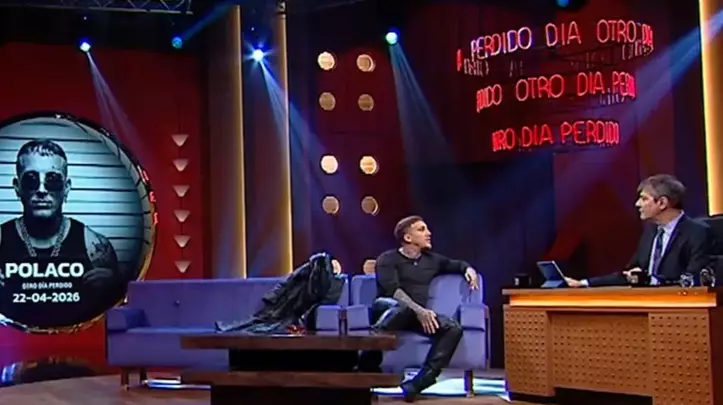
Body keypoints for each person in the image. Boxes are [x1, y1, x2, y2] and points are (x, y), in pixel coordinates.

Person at [358, 215, 479, 402]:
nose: (428, 233)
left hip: (415, 315)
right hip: (387, 308)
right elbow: (392, 291)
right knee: (401, 307)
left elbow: (456, 264)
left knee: (452, 328)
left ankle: (418, 383)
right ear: (408, 237)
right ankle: (365, 365)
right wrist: (420, 311)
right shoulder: (387, 259)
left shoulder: (432, 260)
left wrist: (468, 269)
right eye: (421, 230)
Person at [0, 139, 120, 292]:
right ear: (17, 187)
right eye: (31, 180)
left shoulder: (93, 244)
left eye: (53, 180)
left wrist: (112, 286)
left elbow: (122, 298)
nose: (42, 190)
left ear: (66, 187)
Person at [565, 174, 714, 287]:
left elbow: (694, 280)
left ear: (662, 203)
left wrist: (652, 280)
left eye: (644, 199)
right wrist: (584, 283)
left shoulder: (698, 233)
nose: (637, 204)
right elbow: (630, 274)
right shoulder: (651, 233)